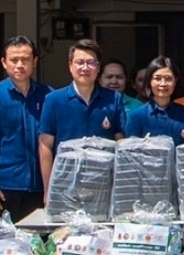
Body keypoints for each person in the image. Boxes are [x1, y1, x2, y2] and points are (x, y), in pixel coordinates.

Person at [37, 39, 126, 201]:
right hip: (65, 184)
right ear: (70, 66)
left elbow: (121, 144)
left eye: (91, 63)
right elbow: (45, 146)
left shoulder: (113, 99)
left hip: (104, 184)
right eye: (80, 62)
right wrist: (48, 189)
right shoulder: (53, 100)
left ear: (98, 68)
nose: (85, 68)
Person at [0, 36, 53, 220]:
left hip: (41, 187)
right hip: (5, 187)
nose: (19, 65)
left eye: (25, 60)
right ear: (4, 63)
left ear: (34, 62)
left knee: (40, 245)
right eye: (14, 60)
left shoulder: (48, 95)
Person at [124, 57, 184, 144]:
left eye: (168, 79)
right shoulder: (136, 116)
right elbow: (131, 152)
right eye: (157, 78)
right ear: (149, 81)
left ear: (175, 81)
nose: (163, 84)